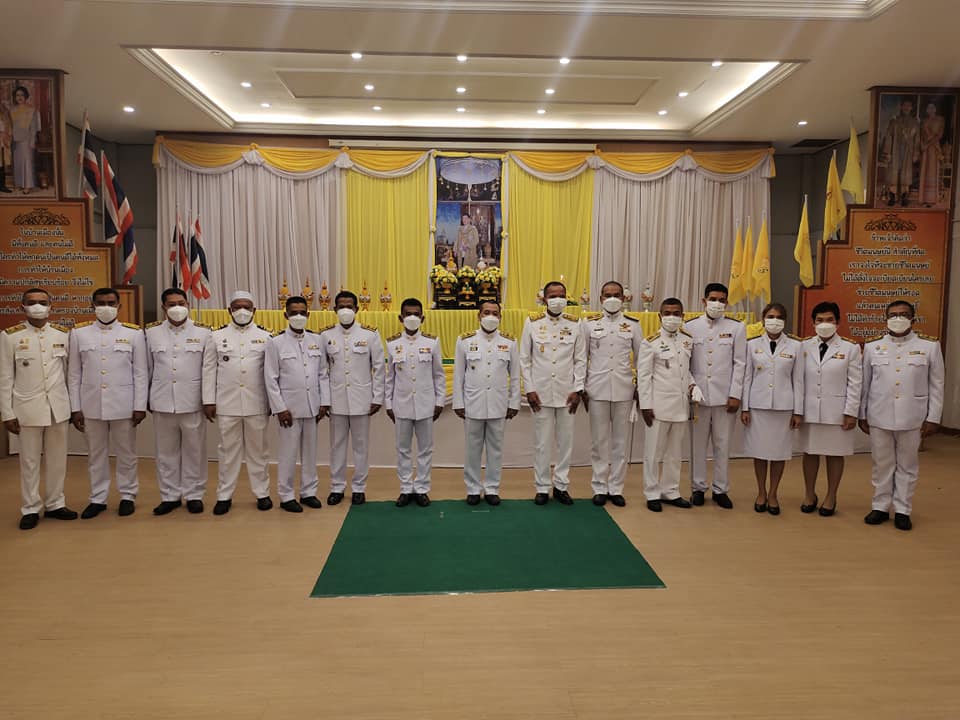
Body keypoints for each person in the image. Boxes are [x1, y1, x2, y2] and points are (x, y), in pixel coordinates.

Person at [860, 300, 944, 531]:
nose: (898, 318)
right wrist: (862, 414)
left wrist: (933, 417)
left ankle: (903, 509)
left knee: (907, 464)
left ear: (913, 319)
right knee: (882, 463)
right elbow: (865, 384)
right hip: (879, 414)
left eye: (903, 314)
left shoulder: (929, 346)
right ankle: (880, 506)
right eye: (893, 315)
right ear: (885, 319)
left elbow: (937, 384)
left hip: (912, 416)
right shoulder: (873, 346)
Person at [68, 287, 148, 519]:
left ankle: (128, 495)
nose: (106, 307)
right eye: (101, 303)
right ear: (92, 305)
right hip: (91, 404)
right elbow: (74, 374)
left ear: (119, 306)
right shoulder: (79, 334)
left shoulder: (133, 333)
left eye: (111, 303)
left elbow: (140, 372)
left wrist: (139, 405)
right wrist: (75, 408)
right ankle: (98, 498)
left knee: (126, 454)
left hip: (124, 405)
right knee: (96, 455)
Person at [0, 289, 76, 530]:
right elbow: (5, 378)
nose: (37, 306)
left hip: (57, 407)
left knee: (57, 460)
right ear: (22, 306)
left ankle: (55, 503)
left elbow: (70, 374)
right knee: (29, 462)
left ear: (51, 306)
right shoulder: (10, 336)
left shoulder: (63, 334)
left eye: (43, 302)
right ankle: (30, 507)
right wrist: (7, 413)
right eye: (31, 302)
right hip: (26, 408)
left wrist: (73, 407)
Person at [145, 288, 216, 515]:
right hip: (162, 399)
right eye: (172, 304)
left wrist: (208, 400)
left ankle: (194, 494)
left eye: (181, 303)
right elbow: (147, 368)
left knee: (195, 451)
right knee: (166, 452)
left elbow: (208, 370)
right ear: (163, 307)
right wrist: (145, 398)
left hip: (192, 400)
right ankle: (170, 496)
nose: (177, 307)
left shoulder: (204, 332)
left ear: (188, 304)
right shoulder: (152, 333)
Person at [203, 291, 274, 515]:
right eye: (237, 307)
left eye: (246, 307)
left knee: (258, 451)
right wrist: (208, 400)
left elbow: (271, 373)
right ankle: (224, 495)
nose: (242, 311)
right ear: (229, 310)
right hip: (227, 403)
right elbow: (209, 370)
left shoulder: (266, 336)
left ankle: (262, 493)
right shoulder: (216, 336)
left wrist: (272, 402)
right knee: (227, 452)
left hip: (257, 403)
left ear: (254, 310)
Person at [581, 280, 648, 506]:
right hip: (597, 389)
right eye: (607, 295)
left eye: (616, 295)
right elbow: (582, 358)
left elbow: (641, 359)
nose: (612, 299)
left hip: (624, 389)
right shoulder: (589, 324)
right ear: (600, 299)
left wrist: (640, 388)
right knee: (599, 442)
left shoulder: (633, 325)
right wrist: (582, 387)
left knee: (620, 442)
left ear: (624, 298)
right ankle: (599, 486)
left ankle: (616, 487)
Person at [519, 281, 586, 505]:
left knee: (565, 443)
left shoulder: (576, 324)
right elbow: (525, 359)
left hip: (567, 393)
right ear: (544, 298)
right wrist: (529, 389)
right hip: (541, 393)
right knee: (542, 443)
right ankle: (541, 487)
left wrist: (577, 389)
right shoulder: (532, 323)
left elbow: (580, 359)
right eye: (553, 295)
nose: (557, 299)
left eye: (561, 295)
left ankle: (561, 486)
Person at [319, 290, 385, 506]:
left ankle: (359, 487)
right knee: (336, 446)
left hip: (362, 399)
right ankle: (337, 487)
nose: (345, 310)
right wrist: (324, 400)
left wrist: (377, 397)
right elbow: (322, 371)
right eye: (341, 307)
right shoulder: (325, 335)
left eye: (349, 307)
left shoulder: (370, 334)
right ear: (335, 309)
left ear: (357, 309)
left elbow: (379, 367)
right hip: (336, 399)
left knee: (361, 446)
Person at [264, 296, 328, 513]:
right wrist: (279, 408)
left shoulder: (317, 340)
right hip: (288, 409)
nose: (298, 316)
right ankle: (286, 495)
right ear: (286, 315)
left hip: (312, 406)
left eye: (302, 312)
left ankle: (309, 492)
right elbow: (270, 378)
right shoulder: (275, 342)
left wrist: (324, 402)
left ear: (308, 314)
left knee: (310, 453)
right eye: (294, 313)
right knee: (288, 453)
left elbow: (322, 373)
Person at [686, 282, 746, 509]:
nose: (717, 303)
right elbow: (685, 362)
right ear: (704, 301)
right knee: (697, 446)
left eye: (721, 300)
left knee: (723, 444)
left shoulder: (736, 327)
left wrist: (735, 394)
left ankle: (721, 489)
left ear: (727, 303)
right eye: (713, 299)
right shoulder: (690, 327)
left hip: (724, 397)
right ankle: (698, 488)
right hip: (698, 397)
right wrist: (692, 387)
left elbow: (740, 363)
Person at [453, 301, 520, 504]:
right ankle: (473, 489)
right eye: (486, 312)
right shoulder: (465, 340)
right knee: (472, 449)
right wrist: (458, 402)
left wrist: (514, 403)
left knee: (495, 449)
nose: (491, 316)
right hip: (472, 403)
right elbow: (458, 375)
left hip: (499, 404)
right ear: (479, 316)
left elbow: (515, 376)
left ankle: (492, 488)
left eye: (495, 313)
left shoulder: (510, 342)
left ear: (500, 317)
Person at [799, 301, 862, 516]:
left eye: (829, 320)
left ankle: (831, 496)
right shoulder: (803, 346)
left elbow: (855, 383)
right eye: (820, 320)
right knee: (810, 453)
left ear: (838, 322)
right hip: (810, 409)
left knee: (835, 454)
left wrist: (851, 412)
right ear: (813, 323)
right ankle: (809, 493)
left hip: (837, 411)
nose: (824, 324)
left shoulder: (850, 348)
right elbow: (798, 380)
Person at [740, 303, 804, 515]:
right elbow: (747, 378)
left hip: (783, 408)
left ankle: (774, 493)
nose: (774, 321)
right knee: (759, 452)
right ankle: (761, 492)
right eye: (770, 316)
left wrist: (798, 411)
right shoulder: (751, 345)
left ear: (784, 321)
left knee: (778, 453)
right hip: (758, 406)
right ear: (763, 319)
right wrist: (745, 408)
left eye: (778, 317)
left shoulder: (795, 346)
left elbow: (798, 380)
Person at [638, 298, 700, 512]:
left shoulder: (687, 340)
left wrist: (693, 385)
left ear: (683, 316)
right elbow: (644, 377)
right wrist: (645, 405)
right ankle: (652, 492)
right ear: (660, 316)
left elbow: (685, 370)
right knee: (653, 453)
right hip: (658, 406)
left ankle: (670, 491)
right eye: (667, 313)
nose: (671, 317)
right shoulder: (650, 342)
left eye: (676, 313)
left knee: (675, 453)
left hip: (681, 406)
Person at [384, 298, 445, 507]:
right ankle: (405, 488)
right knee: (403, 449)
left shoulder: (432, 342)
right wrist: (388, 404)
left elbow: (438, 374)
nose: (412, 317)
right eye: (408, 314)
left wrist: (439, 401)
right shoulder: (392, 343)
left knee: (425, 449)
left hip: (426, 404)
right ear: (400, 318)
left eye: (416, 314)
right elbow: (389, 377)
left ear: (423, 318)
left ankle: (421, 488)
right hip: (401, 404)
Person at [880, 98, 921, 207]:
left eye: (909, 105)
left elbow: (917, 139)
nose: (907, 108)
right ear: (901, 107)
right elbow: (889, 136)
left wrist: (916, 153)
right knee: (894, 173)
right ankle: (892, 196)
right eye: (905, 105)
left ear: (911, 108)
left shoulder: (915, 123)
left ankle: (904, 197)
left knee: (905, 174)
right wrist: (888, 152)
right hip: (895, 150)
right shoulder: (895, 121)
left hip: (908, 151)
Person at [10, 85, 40, 193]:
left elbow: (34, 128)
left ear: (26, 96)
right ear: (15, 97)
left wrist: (32, 141)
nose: (19, 97)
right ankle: (19, 184)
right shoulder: (12, 110)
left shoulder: (32, 110)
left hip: (27, 139)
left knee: (27, 162)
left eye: (22, 95)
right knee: (17, 162)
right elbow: (10, 126)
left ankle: (27, 185)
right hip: (15, 139)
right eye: (17, 95)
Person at [918, 102, 945, 207]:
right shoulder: (924, 121)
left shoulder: (940, 120)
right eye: (929, 107)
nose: (931, 109)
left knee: (932, 172)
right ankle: (923, 199)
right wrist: (922, 146)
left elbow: (939, 135)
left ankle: (932, 199)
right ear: (926, 109)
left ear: (936, 109)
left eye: (933, 107)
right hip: (925, 150)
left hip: (934, 148)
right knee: (924, 171)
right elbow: (921, 136)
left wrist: (928, 144)